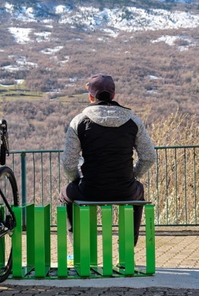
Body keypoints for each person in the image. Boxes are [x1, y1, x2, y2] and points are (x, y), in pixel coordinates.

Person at [59, 73, 156, 245]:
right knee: (138, 191)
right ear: (114, 95)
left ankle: (78, 246)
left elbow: (68, 163)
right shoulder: (133, 121)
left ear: (91, 97)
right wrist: (133, 175)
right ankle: (127, 249)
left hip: (89, 190)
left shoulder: (79, 122)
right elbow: (149, 157)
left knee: (65, 195)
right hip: (125, 190)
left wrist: (76, 179)